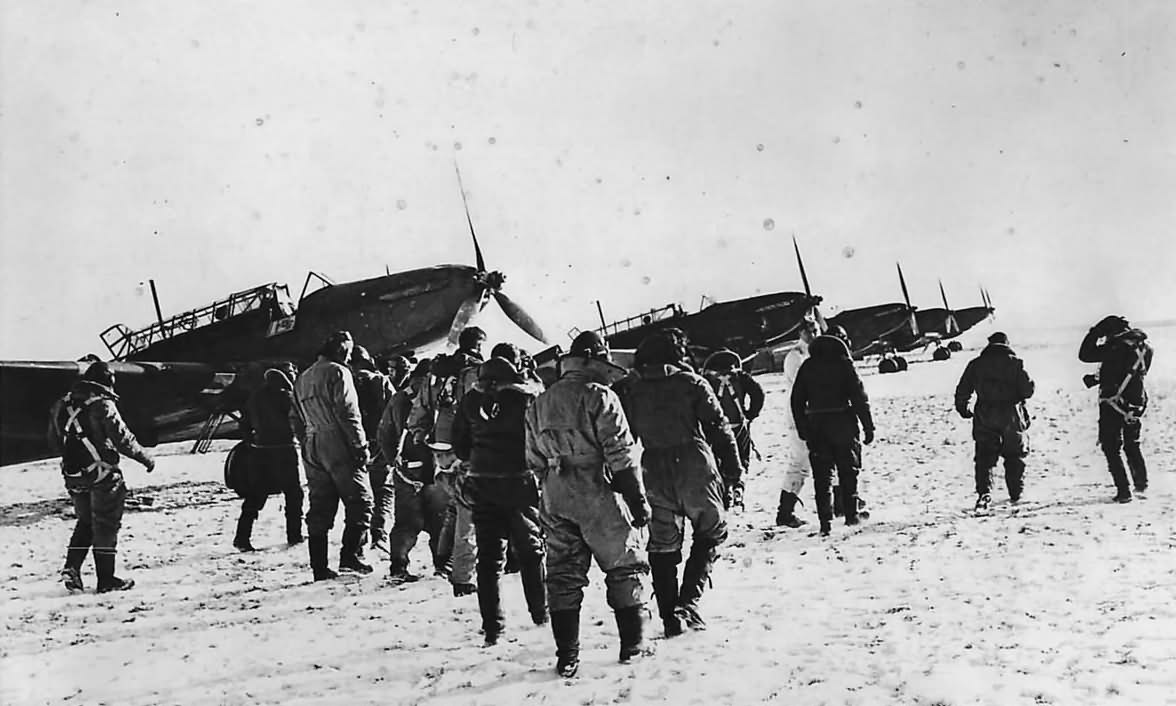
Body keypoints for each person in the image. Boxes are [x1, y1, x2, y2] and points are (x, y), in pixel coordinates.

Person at [526, 331, 652, 677]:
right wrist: (637, 500)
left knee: (563, 575)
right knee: (624, 565)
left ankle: (567, 655)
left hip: (555, 493)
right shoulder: (601, 395)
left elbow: (533, 460)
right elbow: (621, 454)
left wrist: (554, 484)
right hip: (599, 490)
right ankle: (633, 645)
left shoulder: (539, 402)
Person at [624, 331, 743, 637]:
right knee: (711, 530)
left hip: (653, 468)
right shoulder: (692, 383)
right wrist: (734, 473)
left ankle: (669, 616)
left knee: (662, 542)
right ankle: (688, 602)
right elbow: (719, 428)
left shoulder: (630, 389)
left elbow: (623, 438)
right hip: (694, 465)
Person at [453, 353, 548, 646]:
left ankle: (493, 626)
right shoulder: (527, 399)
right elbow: (539, 441)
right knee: (531, 551)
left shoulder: (469, 401)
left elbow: (460, 447)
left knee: (489, 558)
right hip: (519, 483)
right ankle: (540, 612)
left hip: (482, 483)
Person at [48, 361, 155, 593]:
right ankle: (106, 580)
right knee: (105, 525)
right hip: (103, 475)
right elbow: (123, 439)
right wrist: (146, 458)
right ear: (109, 381)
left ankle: (71, 568)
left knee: (86, 521)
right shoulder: (103, 404)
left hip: (73, 476)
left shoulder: (61, 405)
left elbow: (54, 441)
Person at [291, 330, 373, 580]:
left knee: (319, 505)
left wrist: (306, 440)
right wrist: (359, 445)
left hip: (311, 442)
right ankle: (350, 557)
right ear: (340, 350)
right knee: (361, 501)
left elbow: (294, 417)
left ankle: (319, 567)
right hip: (337, 441)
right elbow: (347, 412)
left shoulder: (303, 377)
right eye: (348, 351)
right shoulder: (338, 372)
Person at [790, 330, 875, 536]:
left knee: (822, 476)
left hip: (817, 426)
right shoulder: (844, 365)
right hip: (843, 423)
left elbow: (796, 401)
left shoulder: (807, 366)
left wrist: (803, 428)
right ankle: (851, 515)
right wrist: (868, 426)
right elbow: (859, 397)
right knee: (848, 471)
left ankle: (825, 522)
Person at [954, 332, 1036, 511]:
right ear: (1007, 343)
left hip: (985, 413)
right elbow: (1028, 390)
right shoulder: (1015, 363)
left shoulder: (976, 364)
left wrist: (963, 408)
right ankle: (1015, 492)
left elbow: (963, 389)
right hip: (1011, 415)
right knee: (1014, 455)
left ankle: (984, 493)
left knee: (985, 456)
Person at [1079, 315, 1154, 503]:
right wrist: (1098, 378)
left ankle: (1124, 491)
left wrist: (1094, 332)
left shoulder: (1115, 348)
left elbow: (1084, 355)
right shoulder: (1145, 348)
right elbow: (1129, 373)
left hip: (1113, 403)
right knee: (1132, 443)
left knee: (1111, 446)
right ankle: (1141, 485)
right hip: (1136, 402)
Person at [233, 364, 304, 551]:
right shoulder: (287, 396)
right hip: (284, 450)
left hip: (260, 451)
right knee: (293, 493)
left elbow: (244, 424)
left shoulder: (255, 396)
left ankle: (242, 537)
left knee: (256, 494)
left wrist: (252, 441)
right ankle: (294, 535)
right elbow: (298, 421)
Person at [351, 345, 396, 552]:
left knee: (358, 495)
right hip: (379, 444)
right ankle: (379, 533)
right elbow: (394, 412)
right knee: (383, 490)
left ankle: (358, 541)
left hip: (354, 445)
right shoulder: (381, 381)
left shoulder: (346, 381)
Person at [775, 319, 819, 528]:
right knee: (800, 463)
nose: (813, 334)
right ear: (800, 332)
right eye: (809, 331)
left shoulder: (814, 354)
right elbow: (805, 387)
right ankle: (785, 512)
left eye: (816, 330)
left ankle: (840, 503)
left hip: (816, 414)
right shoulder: (795, 357)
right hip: (799, 416)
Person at [701, 348, 765, 473]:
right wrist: (750, 414)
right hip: (739, 427)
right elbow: (758, 394)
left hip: (715, 430)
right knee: (741, 464)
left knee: (718, 466)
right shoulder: (741, 377)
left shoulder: (706, 380)